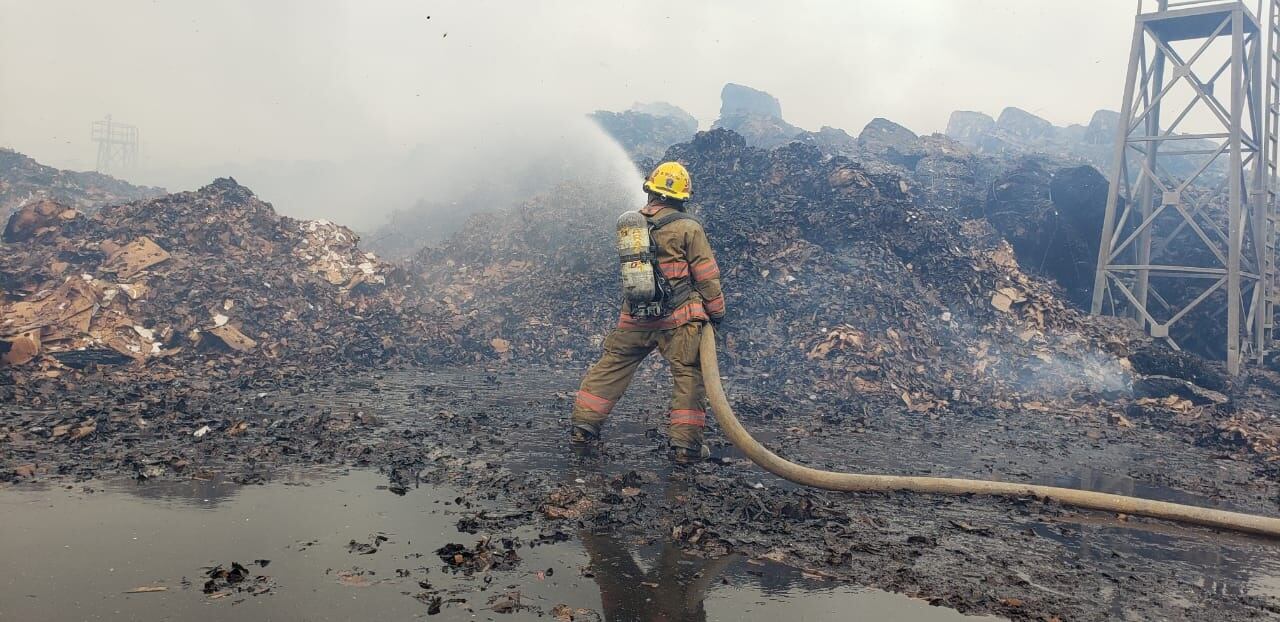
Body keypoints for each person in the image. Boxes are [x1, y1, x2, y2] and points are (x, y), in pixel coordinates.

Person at [570, 161, 726, 463]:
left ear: (650, 190)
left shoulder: (633, 226)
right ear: (682, 197)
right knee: (688, 375)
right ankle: (686, 448)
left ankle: (582, 428)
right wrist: (716, 312)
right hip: (679, 320)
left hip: (636, 316)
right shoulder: (689, 228)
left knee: (612, 365)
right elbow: (707, 276)